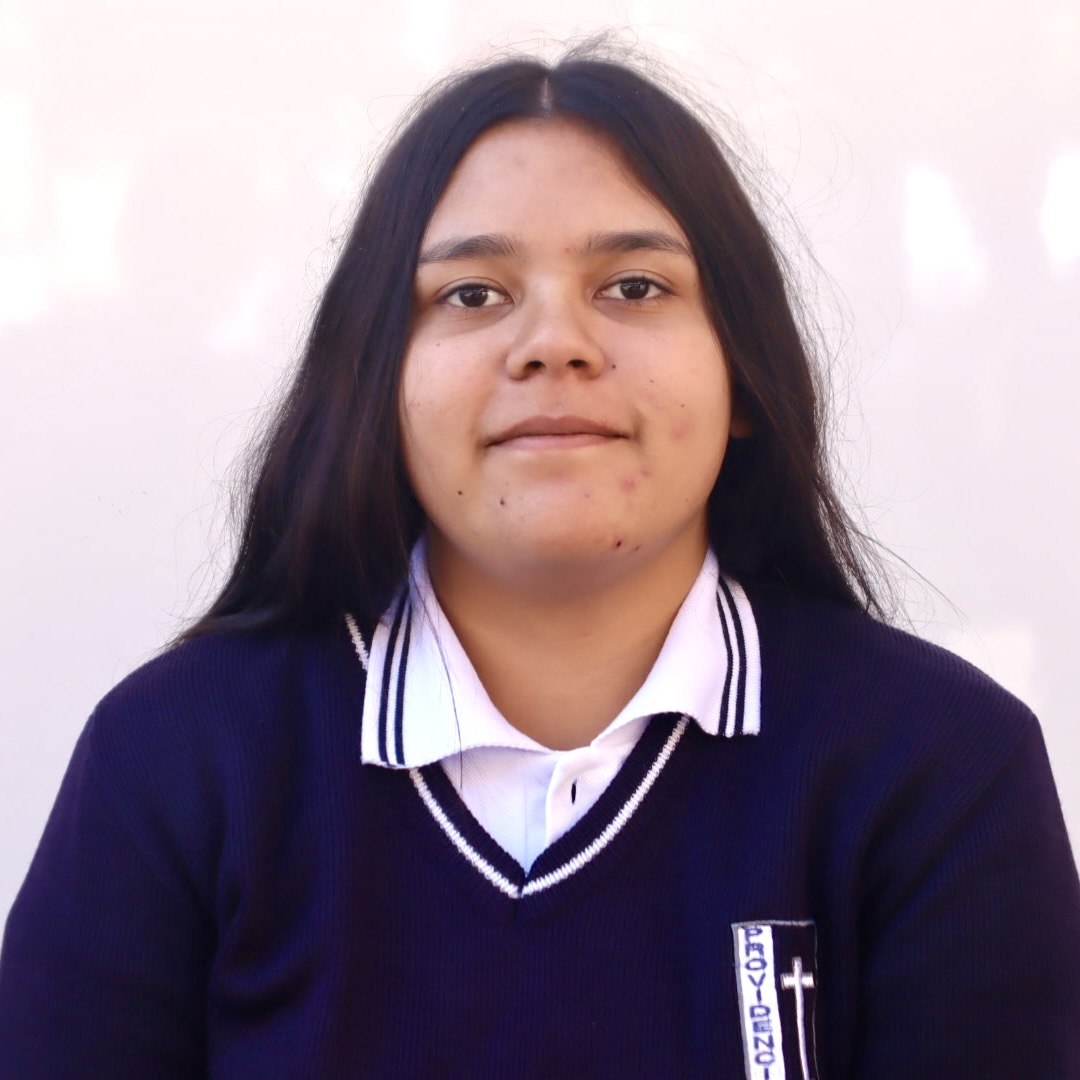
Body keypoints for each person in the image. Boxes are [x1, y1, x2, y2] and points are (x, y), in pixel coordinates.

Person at [2, 43, 1078, 1079]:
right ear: (376, 381)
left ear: (744, 376)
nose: (555, 342)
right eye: (472, 295)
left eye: (635, 287)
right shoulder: (179, 761)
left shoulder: (943, 769)